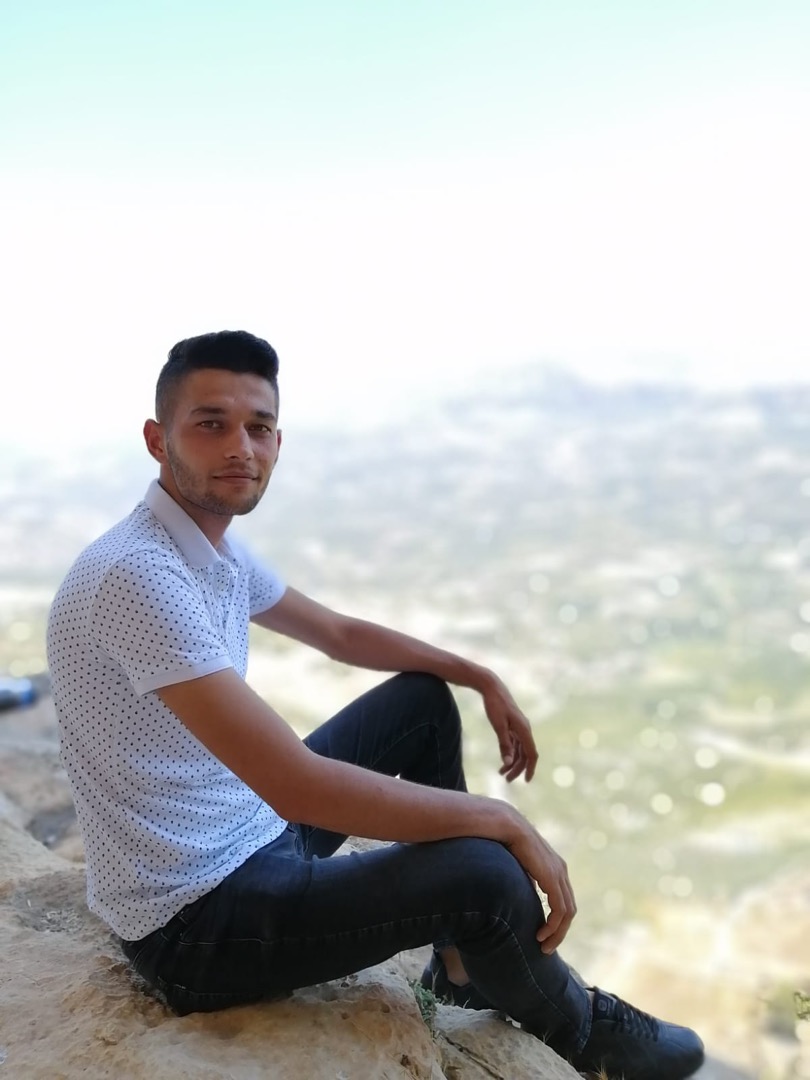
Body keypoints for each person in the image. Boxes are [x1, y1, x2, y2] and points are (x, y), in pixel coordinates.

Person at [46, 330, 704, 1079]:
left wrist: (476, 674)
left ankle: (458, 966)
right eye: (211, 424)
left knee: (422, 705)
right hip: (198, 925)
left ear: (278, 441)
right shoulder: (138, 577)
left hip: (246, 836)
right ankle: (581, 1033)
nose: (239, 447)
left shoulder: (206, 546)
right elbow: (296, 786)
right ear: (157, 439)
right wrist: (503, 820)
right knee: (487, 872)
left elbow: (337, 633)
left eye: (258, 427)